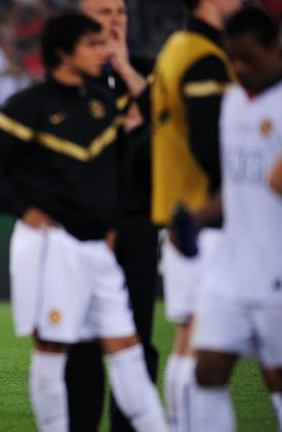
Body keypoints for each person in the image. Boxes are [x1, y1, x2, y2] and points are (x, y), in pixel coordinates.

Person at [0, 12, 167, 431]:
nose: (100, 51)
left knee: (128, 348)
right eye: (91, 44)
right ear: (63, 53)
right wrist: (23, 209)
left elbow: (124, 163)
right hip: (52, 245)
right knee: (54, 349)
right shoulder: (30, 104)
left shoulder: (103, 103)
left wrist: (110, 222)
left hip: (99, 248)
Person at [67, 1, 159, 430]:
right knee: (82, 344)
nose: (116, 18)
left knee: (137, 340)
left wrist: (126, 71)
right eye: (104, 11)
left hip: (137, 222)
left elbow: (180, 130)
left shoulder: (149, 72)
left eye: (120, 10)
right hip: (83, 229)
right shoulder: (68, 81)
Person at [149, 1, 241, 429]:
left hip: (178, 211)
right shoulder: (205, 56)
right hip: (207, 215)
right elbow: (210, 142)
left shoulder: (175, 48)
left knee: (190, 334)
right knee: (205, 337)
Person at [189, 7, 282, 430]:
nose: (240, 68)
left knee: (276, 377)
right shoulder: (232, 103)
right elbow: (240, 185)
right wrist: (198, 217)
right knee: (207, 370)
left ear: (274, 49)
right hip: (231, 265)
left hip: (275, 268)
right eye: (233, 59)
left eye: (249, 58)